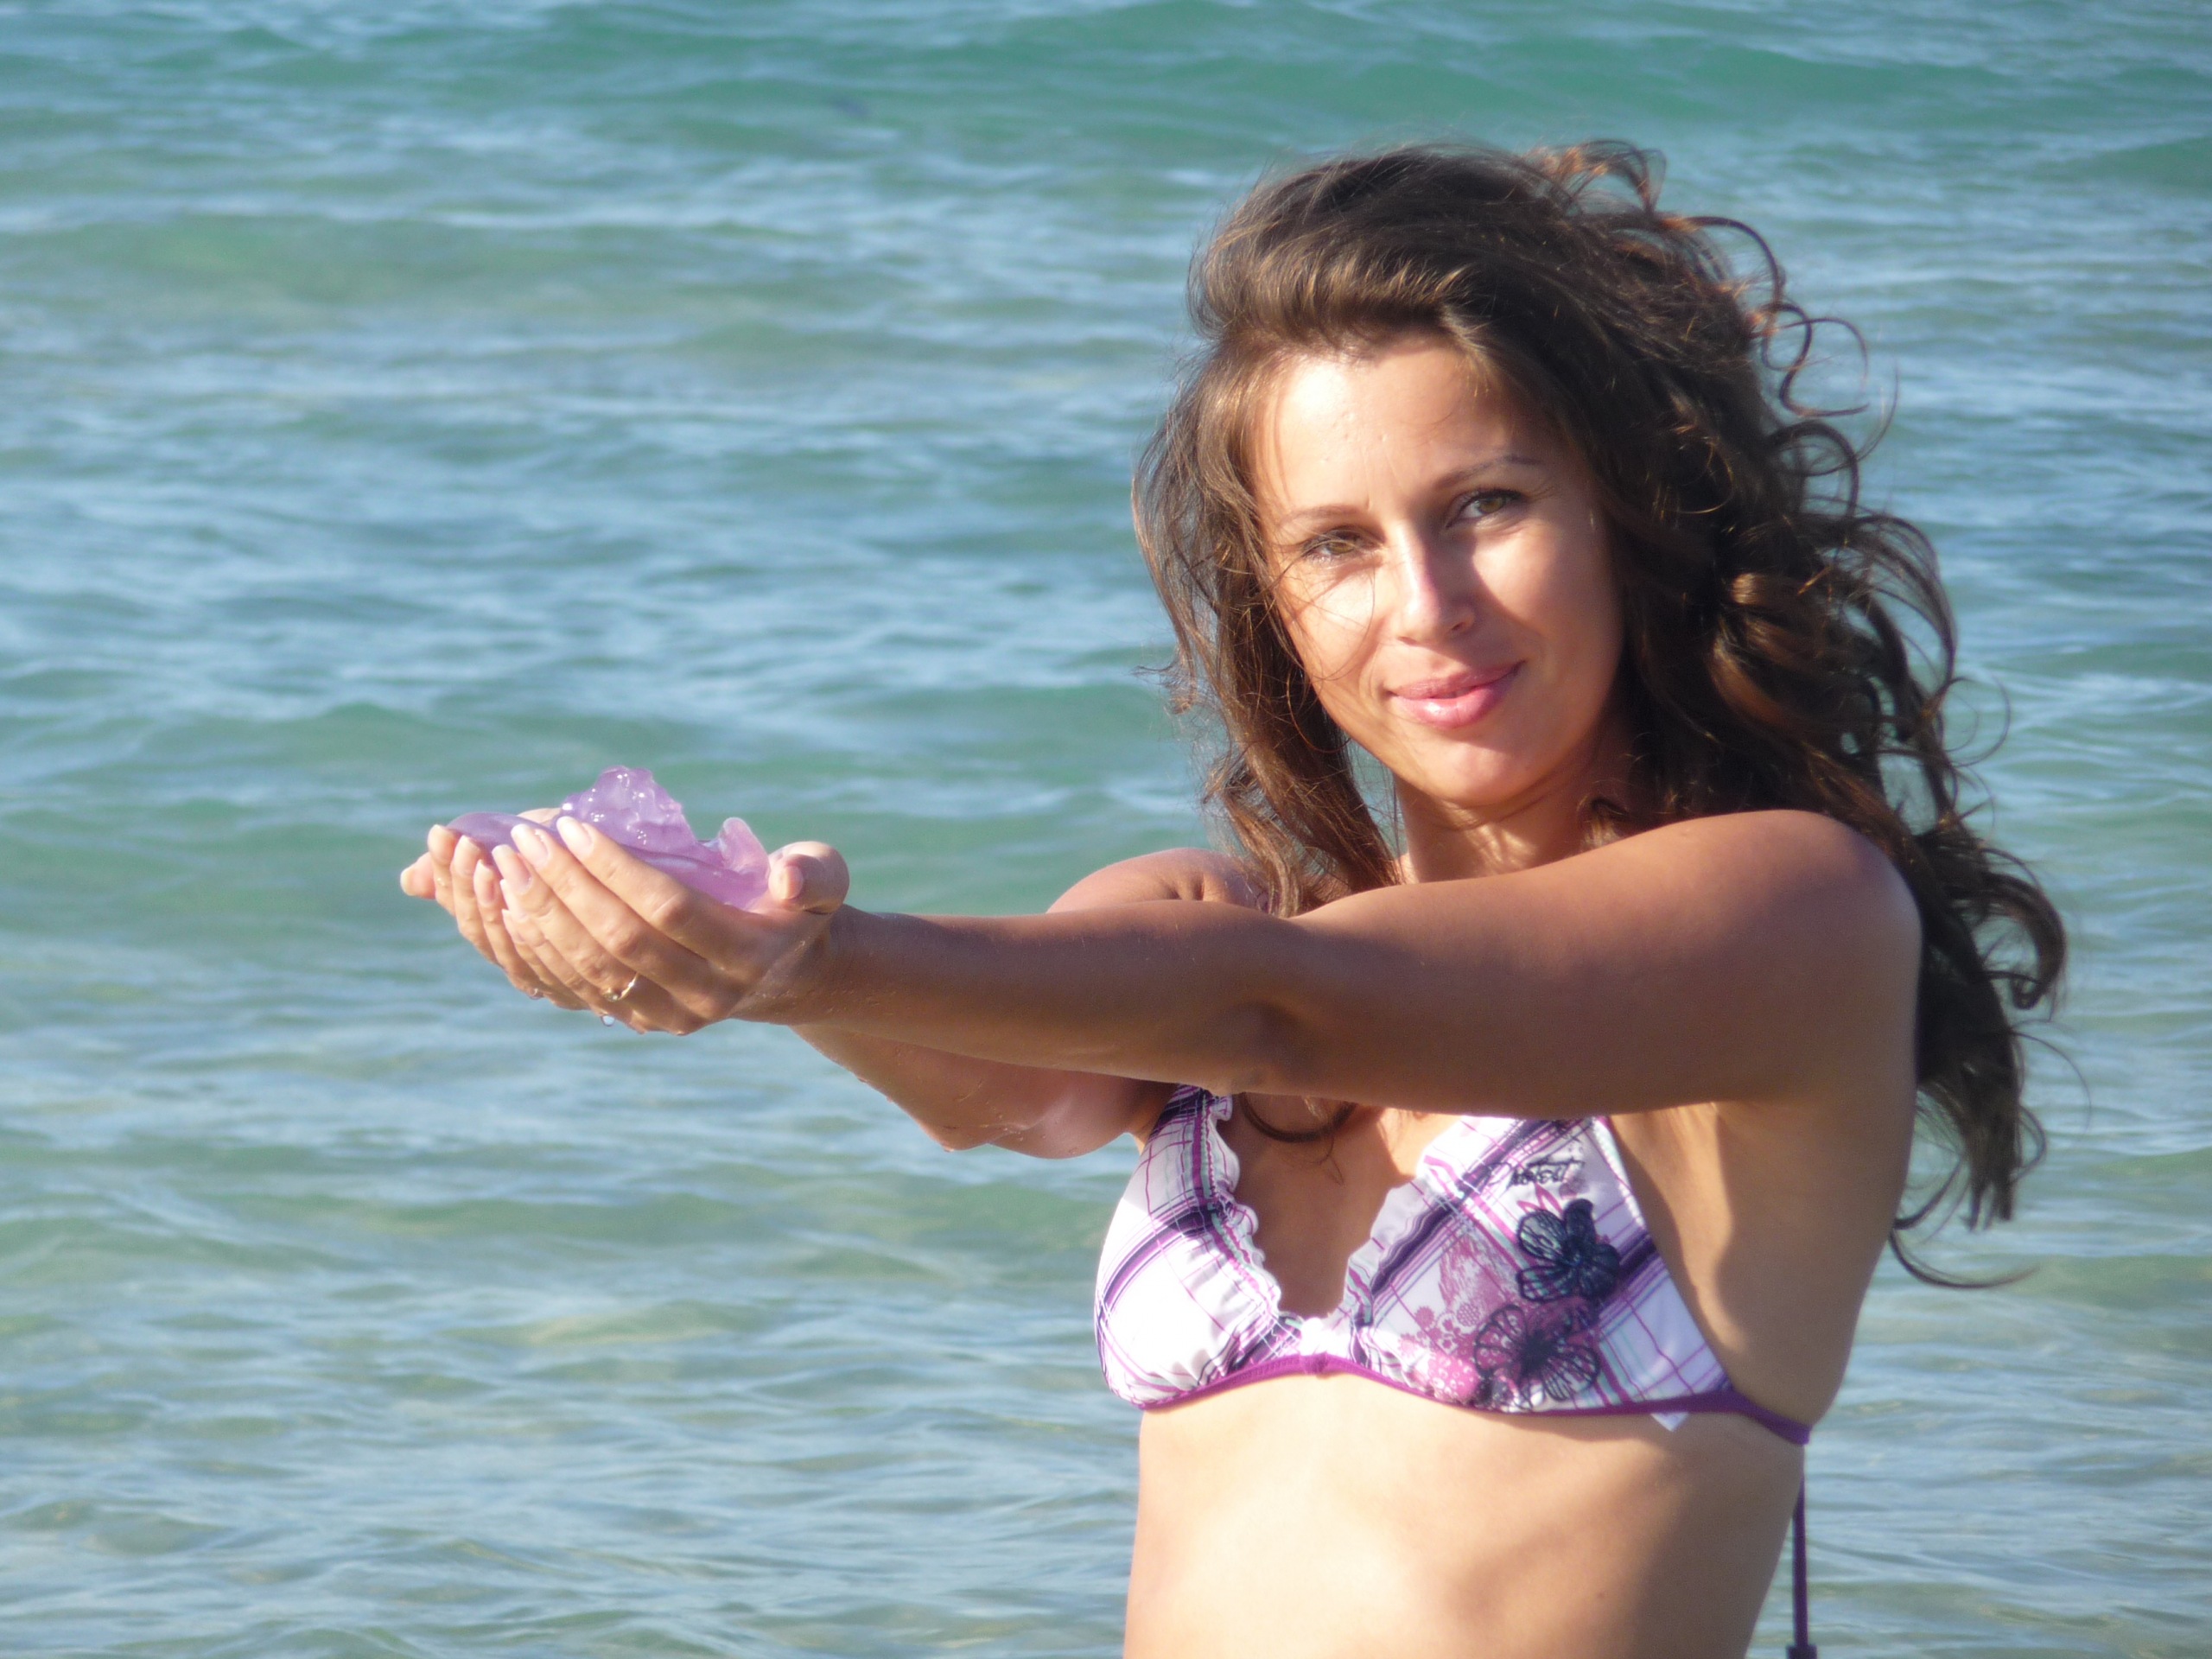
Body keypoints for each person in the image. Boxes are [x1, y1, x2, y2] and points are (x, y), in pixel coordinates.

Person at [401, 143, 2065, 1659]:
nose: (1427, 605)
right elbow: (1000, 1089)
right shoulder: (1217, 918)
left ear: (1629, 517)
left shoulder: (1794, 916)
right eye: (1337, 544)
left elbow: (1287, 1008)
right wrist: (742, 950)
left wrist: (815, 962)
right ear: (1271, 599)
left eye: (1486, 506)